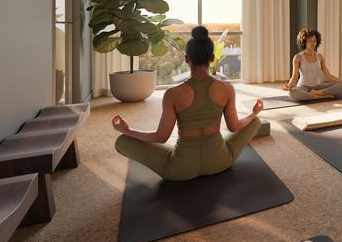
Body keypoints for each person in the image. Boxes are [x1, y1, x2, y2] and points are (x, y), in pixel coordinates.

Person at [112, 26, 264, 182]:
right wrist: (254, 113)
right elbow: (234, 126)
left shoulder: (172, 94)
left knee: (122, 141)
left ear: (186, 59)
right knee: (255, 122)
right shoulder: (226, 88)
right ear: (212, 57)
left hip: (179, 170)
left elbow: (161, 137)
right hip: (220, 162)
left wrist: (128, 130)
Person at [283, 27, 342, 101]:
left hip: (318, 87)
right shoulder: (298, 57)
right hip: (303, 87)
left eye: (314, 41)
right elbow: (295, 76)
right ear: (304, 42)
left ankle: (318, 93)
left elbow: (328, 75)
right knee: (293, 94)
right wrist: (289, 85)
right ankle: (320, 96)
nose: (313, 43)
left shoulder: (320, 57)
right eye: (310, 41)